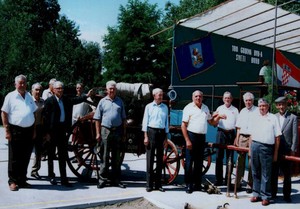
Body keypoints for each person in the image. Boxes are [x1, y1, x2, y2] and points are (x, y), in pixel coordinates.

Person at [43, 81, 92, 187]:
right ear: (54, 90)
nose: (60, 90)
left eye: (61, 88)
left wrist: (86, 96)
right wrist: (46, 133)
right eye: (58, 88)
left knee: (62, 155)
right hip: (52, 131)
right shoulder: (49, 101)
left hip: (62, 131)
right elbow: (45, 119)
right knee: (51, 155)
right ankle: (51, 176)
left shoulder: (65, 100)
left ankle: (64, 178)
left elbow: (76, 100)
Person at [1, 74, 37, 191]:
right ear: (15, 84)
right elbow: (4, 113)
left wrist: (34, 130)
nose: (22, 85)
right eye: (20, 83)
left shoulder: (29, 96)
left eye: (24, 83)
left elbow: (34, 113)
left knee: (25, 156)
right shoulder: (10, 96)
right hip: (15, 130)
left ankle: (22, 180)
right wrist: (7, 130)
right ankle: (12, 181)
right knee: (14, 157)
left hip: (29, 130)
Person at [181, 90, 221, 194]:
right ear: (193, 97)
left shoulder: (205, 108)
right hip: (191, 136)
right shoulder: (188, 108)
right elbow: (183, 125)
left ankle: (197, 184)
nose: (198, 98)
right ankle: (189, 184)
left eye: (200, 96)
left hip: (201, 137)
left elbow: (211, 122)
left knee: (199, 162)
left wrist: (218, 117)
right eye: (196, 96)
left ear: (202, 98)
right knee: (189, 162)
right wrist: (187, 140)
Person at [94, 80, 127, 189]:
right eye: (110, 88)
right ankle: (102, 180)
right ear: (107, 90)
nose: (112, 90)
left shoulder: (120, 102)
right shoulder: (102, 102)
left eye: (113, 88)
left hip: (117, 130)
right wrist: (98, 133)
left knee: (116, 157)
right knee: (104, 156)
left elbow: (124, 119)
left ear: (116, 90)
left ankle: (116, 180)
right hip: (105, 130)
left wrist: (124, 133)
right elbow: (97, 119)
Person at [249, 98, 281, 206]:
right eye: (260, 106)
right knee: (255, 171)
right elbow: (251, 135)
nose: (262, 108)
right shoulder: (254, 117)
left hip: (267, 148)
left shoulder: (273, 118)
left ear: (268, 107)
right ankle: (256, 193)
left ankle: (265, 196)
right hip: (254, 146)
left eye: (264, 106)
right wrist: (250, 149)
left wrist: (276, 153)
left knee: (266, 173)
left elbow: (277, 137)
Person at [271, 96, 298, 202]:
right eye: (279, 104)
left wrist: (293, 150)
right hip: (276, 149)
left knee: (287, 174)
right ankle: (273, 193)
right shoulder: (274, 116)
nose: (281, 106)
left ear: (286, 105)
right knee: (274, 172)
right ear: (277, 106)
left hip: (287, 150)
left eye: (283, 104)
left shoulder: (293, 117)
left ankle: (287, 195)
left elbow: (295, 135)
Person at [142, 88, 169, 192]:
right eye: (159, 95)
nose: (161, 97)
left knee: (159, 160)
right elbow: (145, 122)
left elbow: (166, 122)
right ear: (154, 96)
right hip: (151, 132)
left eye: (162, 95)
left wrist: (166, 138)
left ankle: (158, 185)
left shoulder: (165, 107)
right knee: (150, 159)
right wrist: (145, 136)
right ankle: (149, 185)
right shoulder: (149, 107)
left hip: (161, 133)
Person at [234, 92, 258, 193]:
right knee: (240, 161)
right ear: (244, 101)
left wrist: (253, 137)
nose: (248, 102)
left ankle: (250, 184)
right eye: (246, 100)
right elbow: (239, 127)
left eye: (250, 100)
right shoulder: (242, 111)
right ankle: (238, 183)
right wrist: (237, 137)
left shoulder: (257, 111)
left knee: (252, 161)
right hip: (242, 137)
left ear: (253, 101)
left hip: (253, 137)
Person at [215, 91, 239, 186]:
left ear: (231, 99)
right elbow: (214, 121)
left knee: (230, 158)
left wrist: (236, 137)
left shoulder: (235, 110)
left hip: (231, 134)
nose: (227, 100)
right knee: (218, 157)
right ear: (223, 99)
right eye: (225, 98)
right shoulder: (219, 109)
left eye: (229, 98)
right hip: (221, 133)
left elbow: (238, 126)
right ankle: (218, 180)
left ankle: (228, 180)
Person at [30, 83, 45, 180]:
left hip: (39, 128)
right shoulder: (29, 101)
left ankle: (34, 171)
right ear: (32, 90)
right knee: (26, 151)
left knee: (38, 151)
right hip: (29, 128)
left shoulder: (43, 102)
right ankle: (21, 172)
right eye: (36, 90)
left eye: (40, 90)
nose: (38, 92)